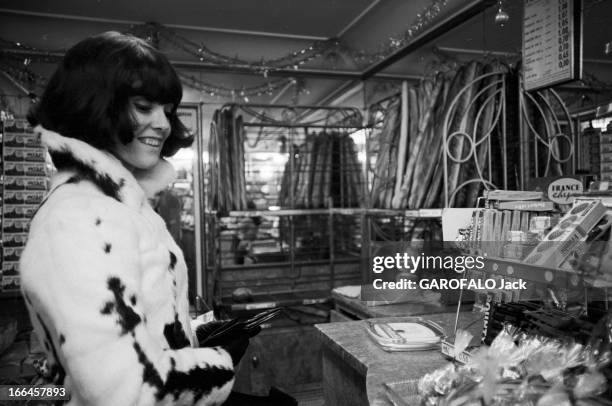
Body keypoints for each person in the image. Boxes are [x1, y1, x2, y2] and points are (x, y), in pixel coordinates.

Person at [20, 31, 255, 406]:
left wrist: (193, 335)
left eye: (167, 110)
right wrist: (216, 364)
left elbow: (134, 332)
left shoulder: (116, 206)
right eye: (144, 106)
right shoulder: (81, 218)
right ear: (94, 107)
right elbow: (124, 393)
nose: (163, 124)